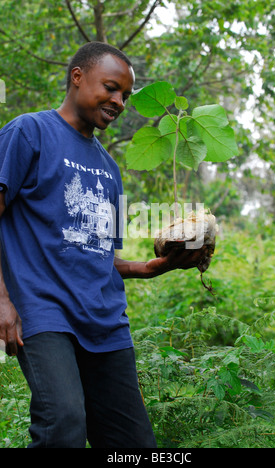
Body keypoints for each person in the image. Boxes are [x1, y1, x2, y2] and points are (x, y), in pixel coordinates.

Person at [0, 42, 204, 448]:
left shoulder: (110, 169)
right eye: (111, 88)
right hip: (45, 312)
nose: (119, 102)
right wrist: (2, 299)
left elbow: (100, 254)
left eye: (125, 95)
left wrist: (153, 266)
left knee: (133, 443)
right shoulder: (28, 132)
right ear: (78, 77)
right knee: (63, 423)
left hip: (106, 321)